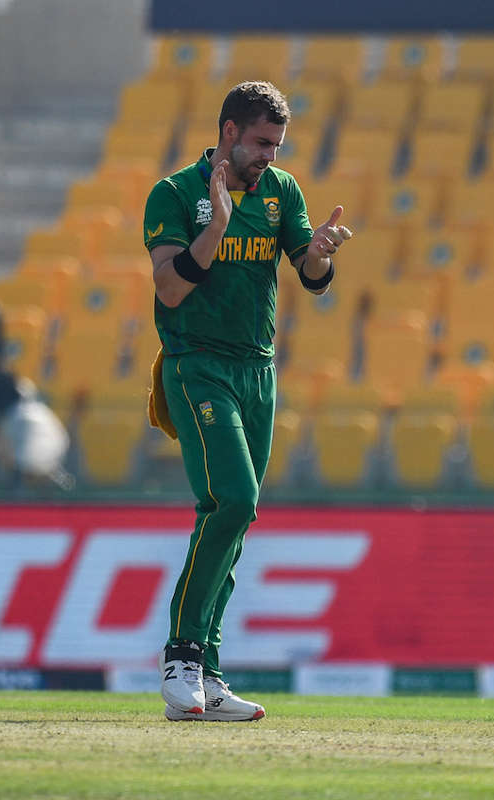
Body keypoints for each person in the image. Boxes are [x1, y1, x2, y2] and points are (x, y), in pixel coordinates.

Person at [143, 81, 352, 722]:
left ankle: (207, 673)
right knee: (232, 500)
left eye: (277, 145)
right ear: (229, 131)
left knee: (236, 517)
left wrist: (319, 257)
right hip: (196, 365)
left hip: (258, 371)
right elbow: (169, 289)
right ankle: (181, 656)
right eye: (261, 142)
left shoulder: (282, 191)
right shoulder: (175, 193)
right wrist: (217, 227)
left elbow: (310, 277)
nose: (269, 155)